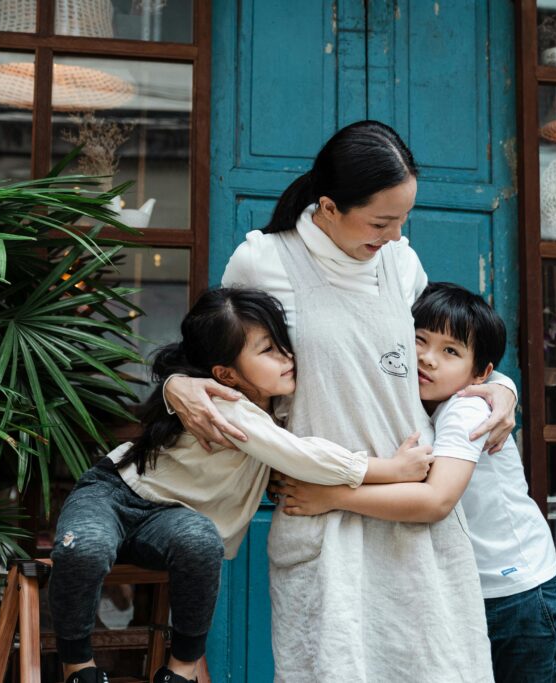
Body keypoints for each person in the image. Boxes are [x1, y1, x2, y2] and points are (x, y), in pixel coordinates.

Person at [164, 120, 516, 682]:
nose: (397, 235)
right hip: (320, 520)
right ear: (328, 207)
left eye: (404, 219)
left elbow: (448, 354)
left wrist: (503, 387)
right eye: (381, 221)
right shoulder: (265, 262)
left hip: (409, 513)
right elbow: (208, 362)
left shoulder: (401, 265)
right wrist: (175, 385)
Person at [48, 288, 434, 683]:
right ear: (227, 374)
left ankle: (179, 672)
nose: (286, 357)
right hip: (114, 493)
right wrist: (391, 469)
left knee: (202, 543)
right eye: (268, 350)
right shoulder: (227, 403)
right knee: (86, 549)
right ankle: (79, 669)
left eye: (283, 345)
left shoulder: (277, 404)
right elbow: (300, 455)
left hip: (170, 519)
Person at [275, 283, 556, 682]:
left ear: (480, 374)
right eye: (419, 341)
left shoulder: (465, 409)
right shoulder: (407, 402)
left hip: (517, 594)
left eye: (451, 351)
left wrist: (333, 496)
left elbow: (436, 501)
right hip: (463, 590)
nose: (427, 359)